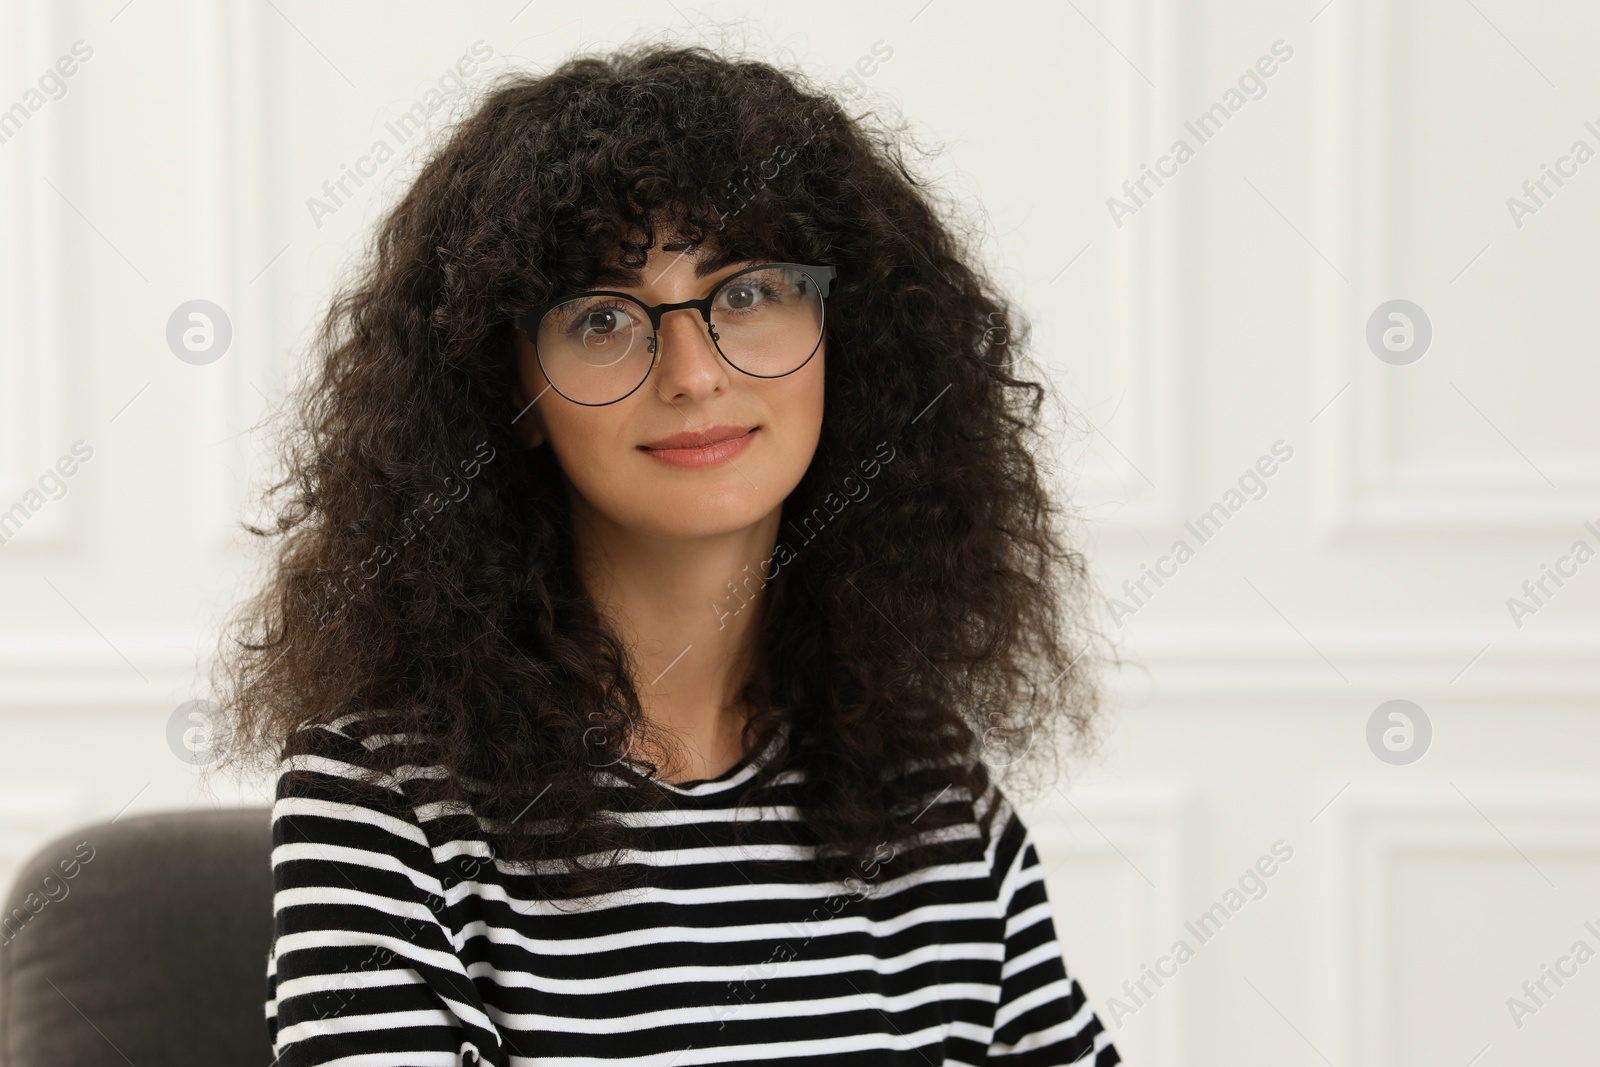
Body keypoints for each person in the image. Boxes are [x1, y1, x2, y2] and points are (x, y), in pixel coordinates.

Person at [215, 41, 1119, 1066]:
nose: (692, 372)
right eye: (602, 316)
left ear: (840, 337)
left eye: (747, 291)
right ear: (508, 391)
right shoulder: (382, 796)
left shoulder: (932, 781)